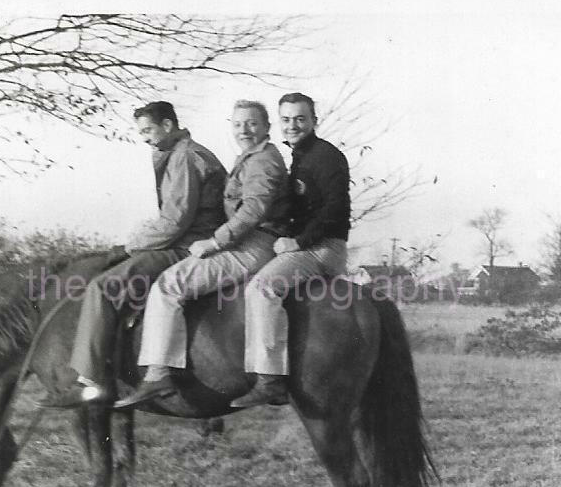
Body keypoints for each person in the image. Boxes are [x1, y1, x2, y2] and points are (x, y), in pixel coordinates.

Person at [114, 99, 290, 409]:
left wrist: (214, 242)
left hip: (253, 245)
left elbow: (253, 209)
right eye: (237, 124)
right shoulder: (250, 157)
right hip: (248, 242)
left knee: (169, 285)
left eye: (252, 123)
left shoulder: (263, 160)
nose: (244, 130)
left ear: (266, 127)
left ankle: (158, 373)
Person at [54, 101, 227, 408]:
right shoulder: (181, 153)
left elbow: (174, 221)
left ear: (168, 126)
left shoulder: (184, 157)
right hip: (187, 241)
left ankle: (90, 382)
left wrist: (128, 247)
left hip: (185, 247)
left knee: (102, 288)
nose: (144, 137)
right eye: (141, 131)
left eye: (148, 130)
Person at [230, 92, 351, 408]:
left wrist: (298, 242)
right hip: (308, 246)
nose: (292, 125)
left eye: (300, 119)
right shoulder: (298, 157)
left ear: (314, 120)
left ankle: (270, 380)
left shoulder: (326, 156)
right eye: (286, 119)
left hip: (323, 248)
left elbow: (335, 210)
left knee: (261, 288)